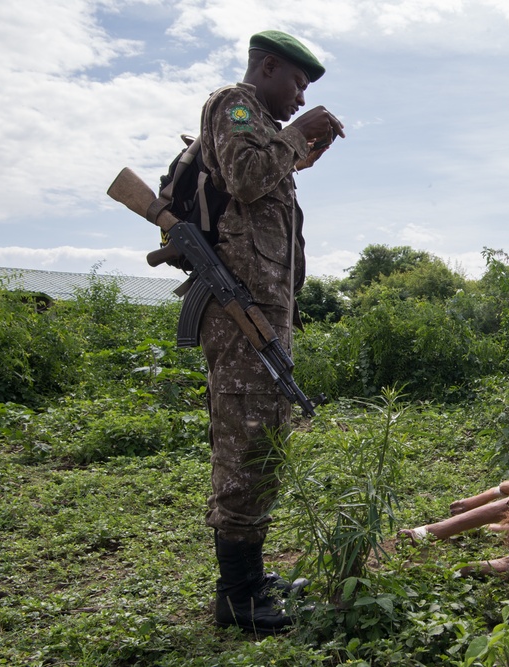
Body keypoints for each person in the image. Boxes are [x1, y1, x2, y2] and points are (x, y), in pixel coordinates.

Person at [198, 30, 345, 633]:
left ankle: (252, 579)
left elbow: (259, 181)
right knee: (245, 449)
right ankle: (236, 597)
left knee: (265, 446)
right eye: (297, 83)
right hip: (237, 319)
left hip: (261, 318)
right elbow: (247, 178)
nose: (300, 95)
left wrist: (302, 150)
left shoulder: (260, 125)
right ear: (267, 68)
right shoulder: (234, 105)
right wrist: (293, 132)